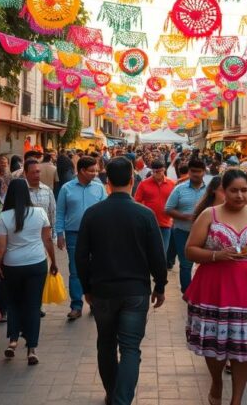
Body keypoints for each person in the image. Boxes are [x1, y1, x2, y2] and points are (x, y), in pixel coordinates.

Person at [184, 170, 247, 405]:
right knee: (214, 346)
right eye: (234, 190)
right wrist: (217, 254)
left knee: (242, 348)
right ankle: (216, 381)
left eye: (244, 190)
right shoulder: (210, 215)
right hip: (214, 289)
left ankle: (236, 400)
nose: (239, 195)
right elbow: (190, 250)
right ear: (223, 191)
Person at [76, 158, 167, 405]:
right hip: (135, 291)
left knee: (105, 343)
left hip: (103, 291)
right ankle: (121, 400)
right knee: (129, 348)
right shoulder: (145, 214)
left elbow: (81, 256)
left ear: (107, 181)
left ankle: (112, 393)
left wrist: (86, 288)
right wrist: (160, 285)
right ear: (132, 180)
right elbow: (157, 255)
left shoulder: (92, 214)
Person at [0, 179, 56, 364]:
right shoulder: (39, 213)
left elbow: (2, 248)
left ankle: (13, 340)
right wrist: (54, 262)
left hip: (12, 265)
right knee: (32, 305)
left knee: (14, 303)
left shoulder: (3, 217)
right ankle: (32, 348)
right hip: (36, 263)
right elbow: (47, 240)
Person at [56, 156, 108, 321]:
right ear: (81, 171)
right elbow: (60, 212)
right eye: (91, 171)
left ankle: (94, 303)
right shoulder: (66, 188)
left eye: (96, 170)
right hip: (73, 234)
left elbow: (105, 212)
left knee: (96, 269)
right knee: (75, 271)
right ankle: (76, 306)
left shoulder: (99, 188)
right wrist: (59, 234)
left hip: (96, 235)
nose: (95, 173)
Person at [164, 158, 208, 294]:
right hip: (182, 232)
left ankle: (203, 290)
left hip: (205, 233)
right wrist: (186, 216)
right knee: (185, 264)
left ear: (204, 172)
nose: (195, 174)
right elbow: (168, 209)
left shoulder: (210, 191)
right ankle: (187, 293)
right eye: (193, 171)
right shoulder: (179, 189)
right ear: (188, 172)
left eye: (198, 171)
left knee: (206, 263)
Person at [134, 160, 175, 260]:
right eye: (155, 172)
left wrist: (173, 218)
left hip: (165, 224)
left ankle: (159, 274)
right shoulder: (144, 183)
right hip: (148, 224)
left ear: (164, 170)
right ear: (152, 171)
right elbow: (137, 202)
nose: (157, 174)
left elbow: (176, 203)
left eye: (159, 171)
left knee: (162, 253)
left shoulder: (172, 184)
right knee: (147, 252)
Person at [25, 158, 56, 241]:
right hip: (26, 235)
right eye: (32, 172)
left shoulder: (47, 190)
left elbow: (52, 212)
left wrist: (54, 233)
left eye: (38, 172)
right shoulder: (20, 191)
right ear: (25, 173)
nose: (36, 175)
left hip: (44, 234)